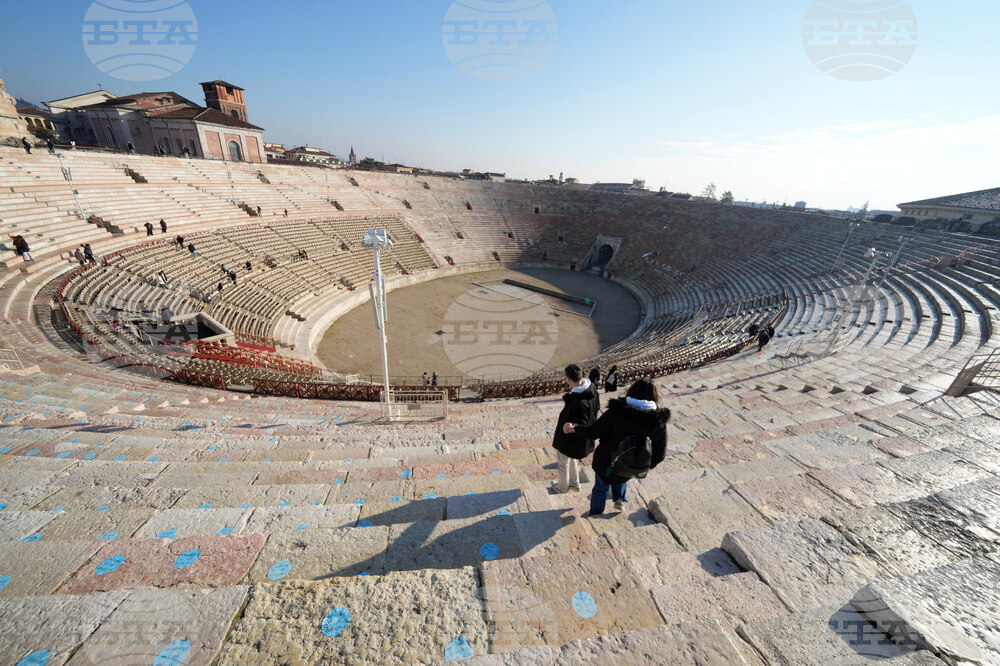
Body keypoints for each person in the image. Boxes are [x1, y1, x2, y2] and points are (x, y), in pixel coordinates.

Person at [563, 379, 670, 516]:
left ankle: (595, 515)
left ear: (632, 391)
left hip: (606, 461)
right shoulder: (659, 420)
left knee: (601, 488)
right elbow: (660, 454)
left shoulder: (617, 411)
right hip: (634, 464)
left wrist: (574, 428)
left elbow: (593, 432)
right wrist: (649, 465)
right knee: (624, 470)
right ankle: (619, 499)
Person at [551, 364, 600, 494]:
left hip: (571, 437)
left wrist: (572, 428)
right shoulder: (592, 389)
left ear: (569, 380)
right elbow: (597, 408)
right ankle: (575, 484)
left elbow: (582, 423)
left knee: (562, 462)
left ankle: (562, 488)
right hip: (580, 439)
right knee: (571, 457)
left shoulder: (578, 400)